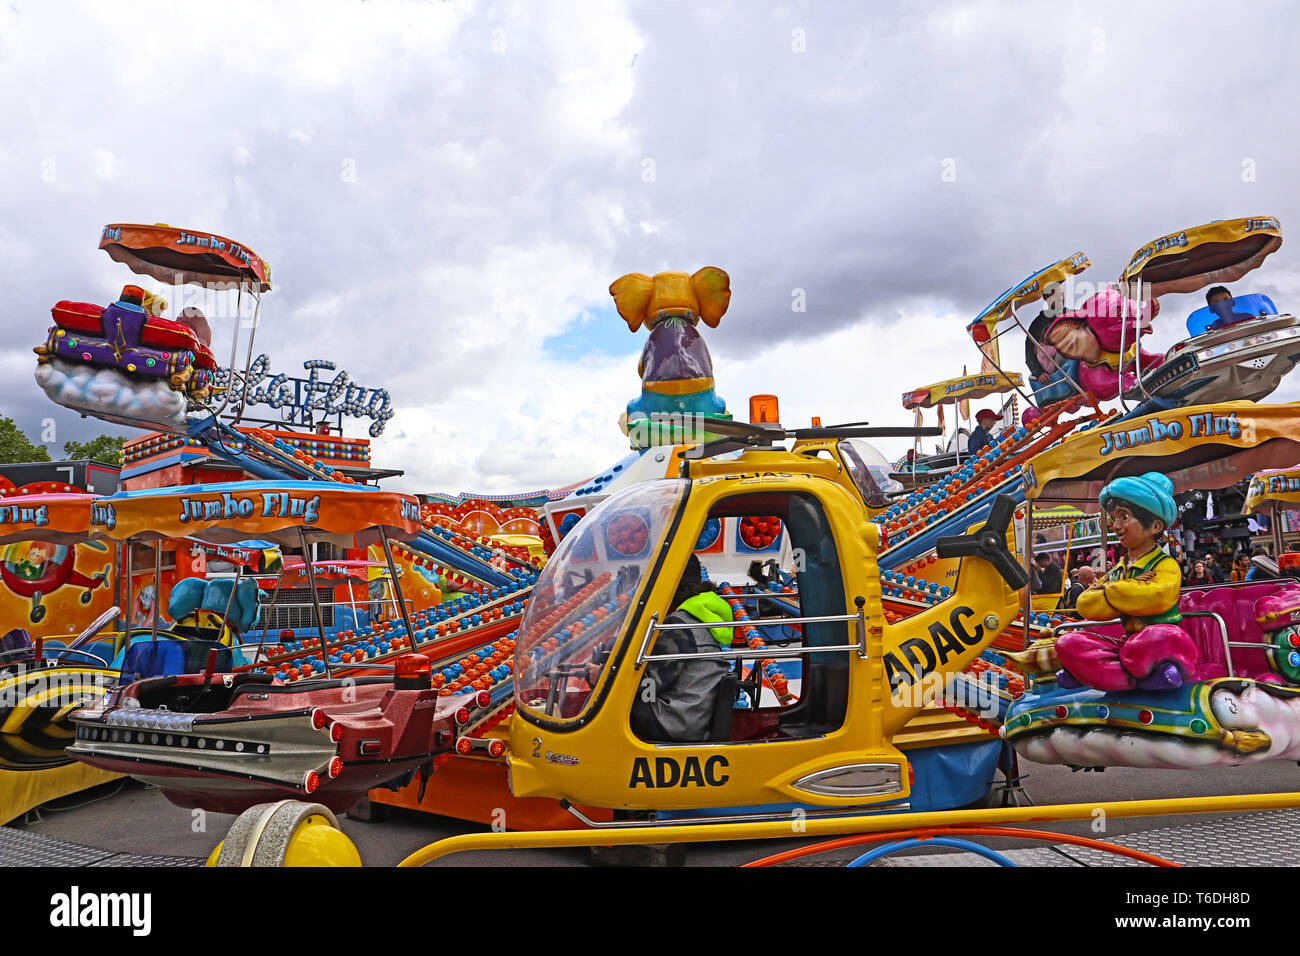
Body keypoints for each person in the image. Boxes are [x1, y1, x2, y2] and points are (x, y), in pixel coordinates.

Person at [1056, 472, 1199, 691]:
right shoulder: (1121, 569)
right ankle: (1138, 677)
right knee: (1068, 642)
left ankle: (1098, 674)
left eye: (1124, 517)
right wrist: (1127, 589)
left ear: (1155, 527)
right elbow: (1086, 604)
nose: (1115, 526)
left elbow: (1157, 597)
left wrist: (1109, 591)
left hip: (1163, 642)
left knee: (1151, 639)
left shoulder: (1165, 565)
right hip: (1129, 644)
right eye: (1114, 518)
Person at [629, 554, 736, 742]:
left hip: (675, 722)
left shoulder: (678, 627)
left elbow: (650, 685)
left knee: (613, 705)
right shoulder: (702, 618)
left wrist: (610, 678)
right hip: (695, 717)